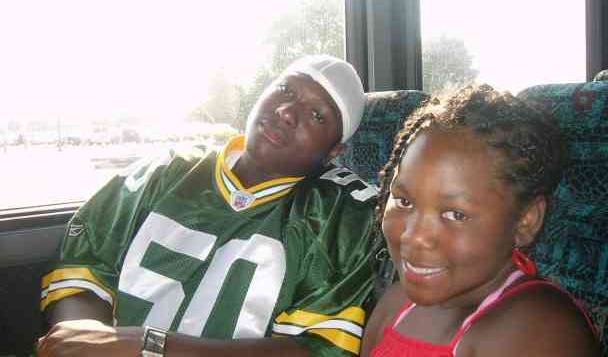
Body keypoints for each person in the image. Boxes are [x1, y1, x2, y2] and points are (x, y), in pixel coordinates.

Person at [38, 55, 379, 357]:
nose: (287, 112)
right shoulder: (162, 173)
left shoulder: (341, 216)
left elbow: (318, 348)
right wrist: (86, 342)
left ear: (334, 151)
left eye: (317, 115)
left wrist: (150, 346)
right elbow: (83, 270)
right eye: (284, 90)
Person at [361, 84, 601, 357]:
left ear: (525, 221)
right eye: (404, 202)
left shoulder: (541, 330)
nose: (414, 236)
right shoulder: (395, 304)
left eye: (455, 214)